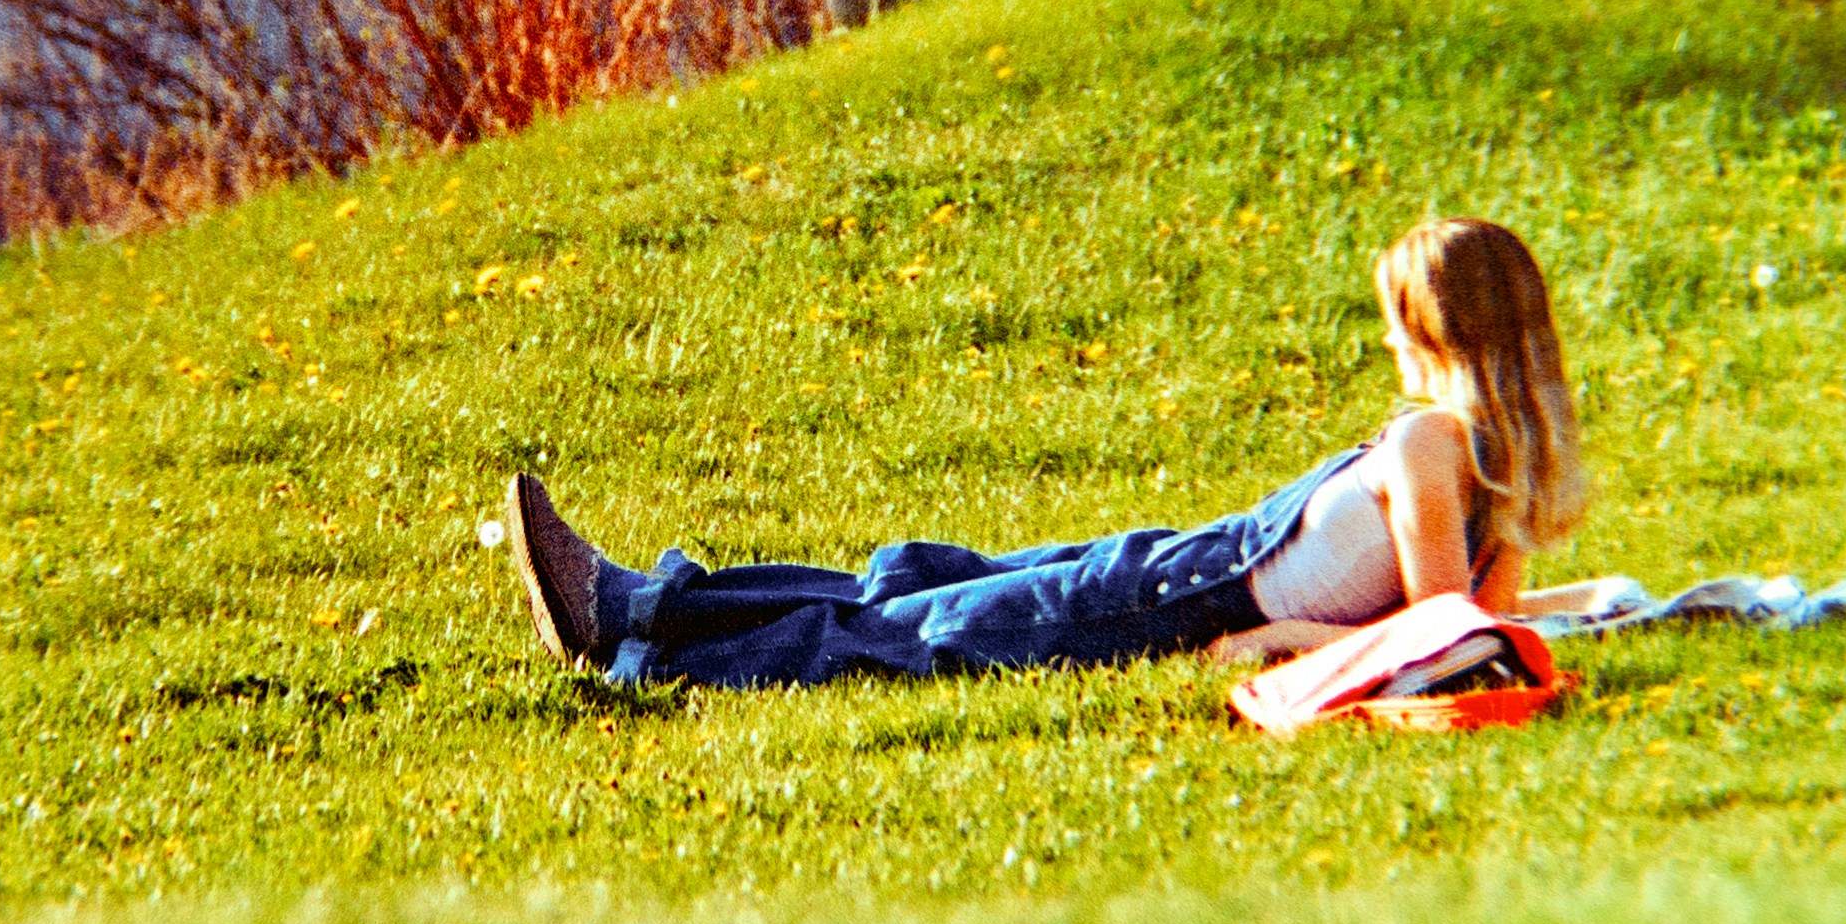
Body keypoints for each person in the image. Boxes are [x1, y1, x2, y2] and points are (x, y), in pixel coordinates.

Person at [502, 215, 1597, 688]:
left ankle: (639, 649)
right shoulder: (1486, 466)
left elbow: (1450, 634)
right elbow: (1476, 624)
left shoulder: (1431, 443)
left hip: (1171, 603)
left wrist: (1281, 638)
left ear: (1434, 330)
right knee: (916, 581)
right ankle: (639, 604)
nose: (1390, 344)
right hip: (1172, 569)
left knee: (912, 633)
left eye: (1397, 323)